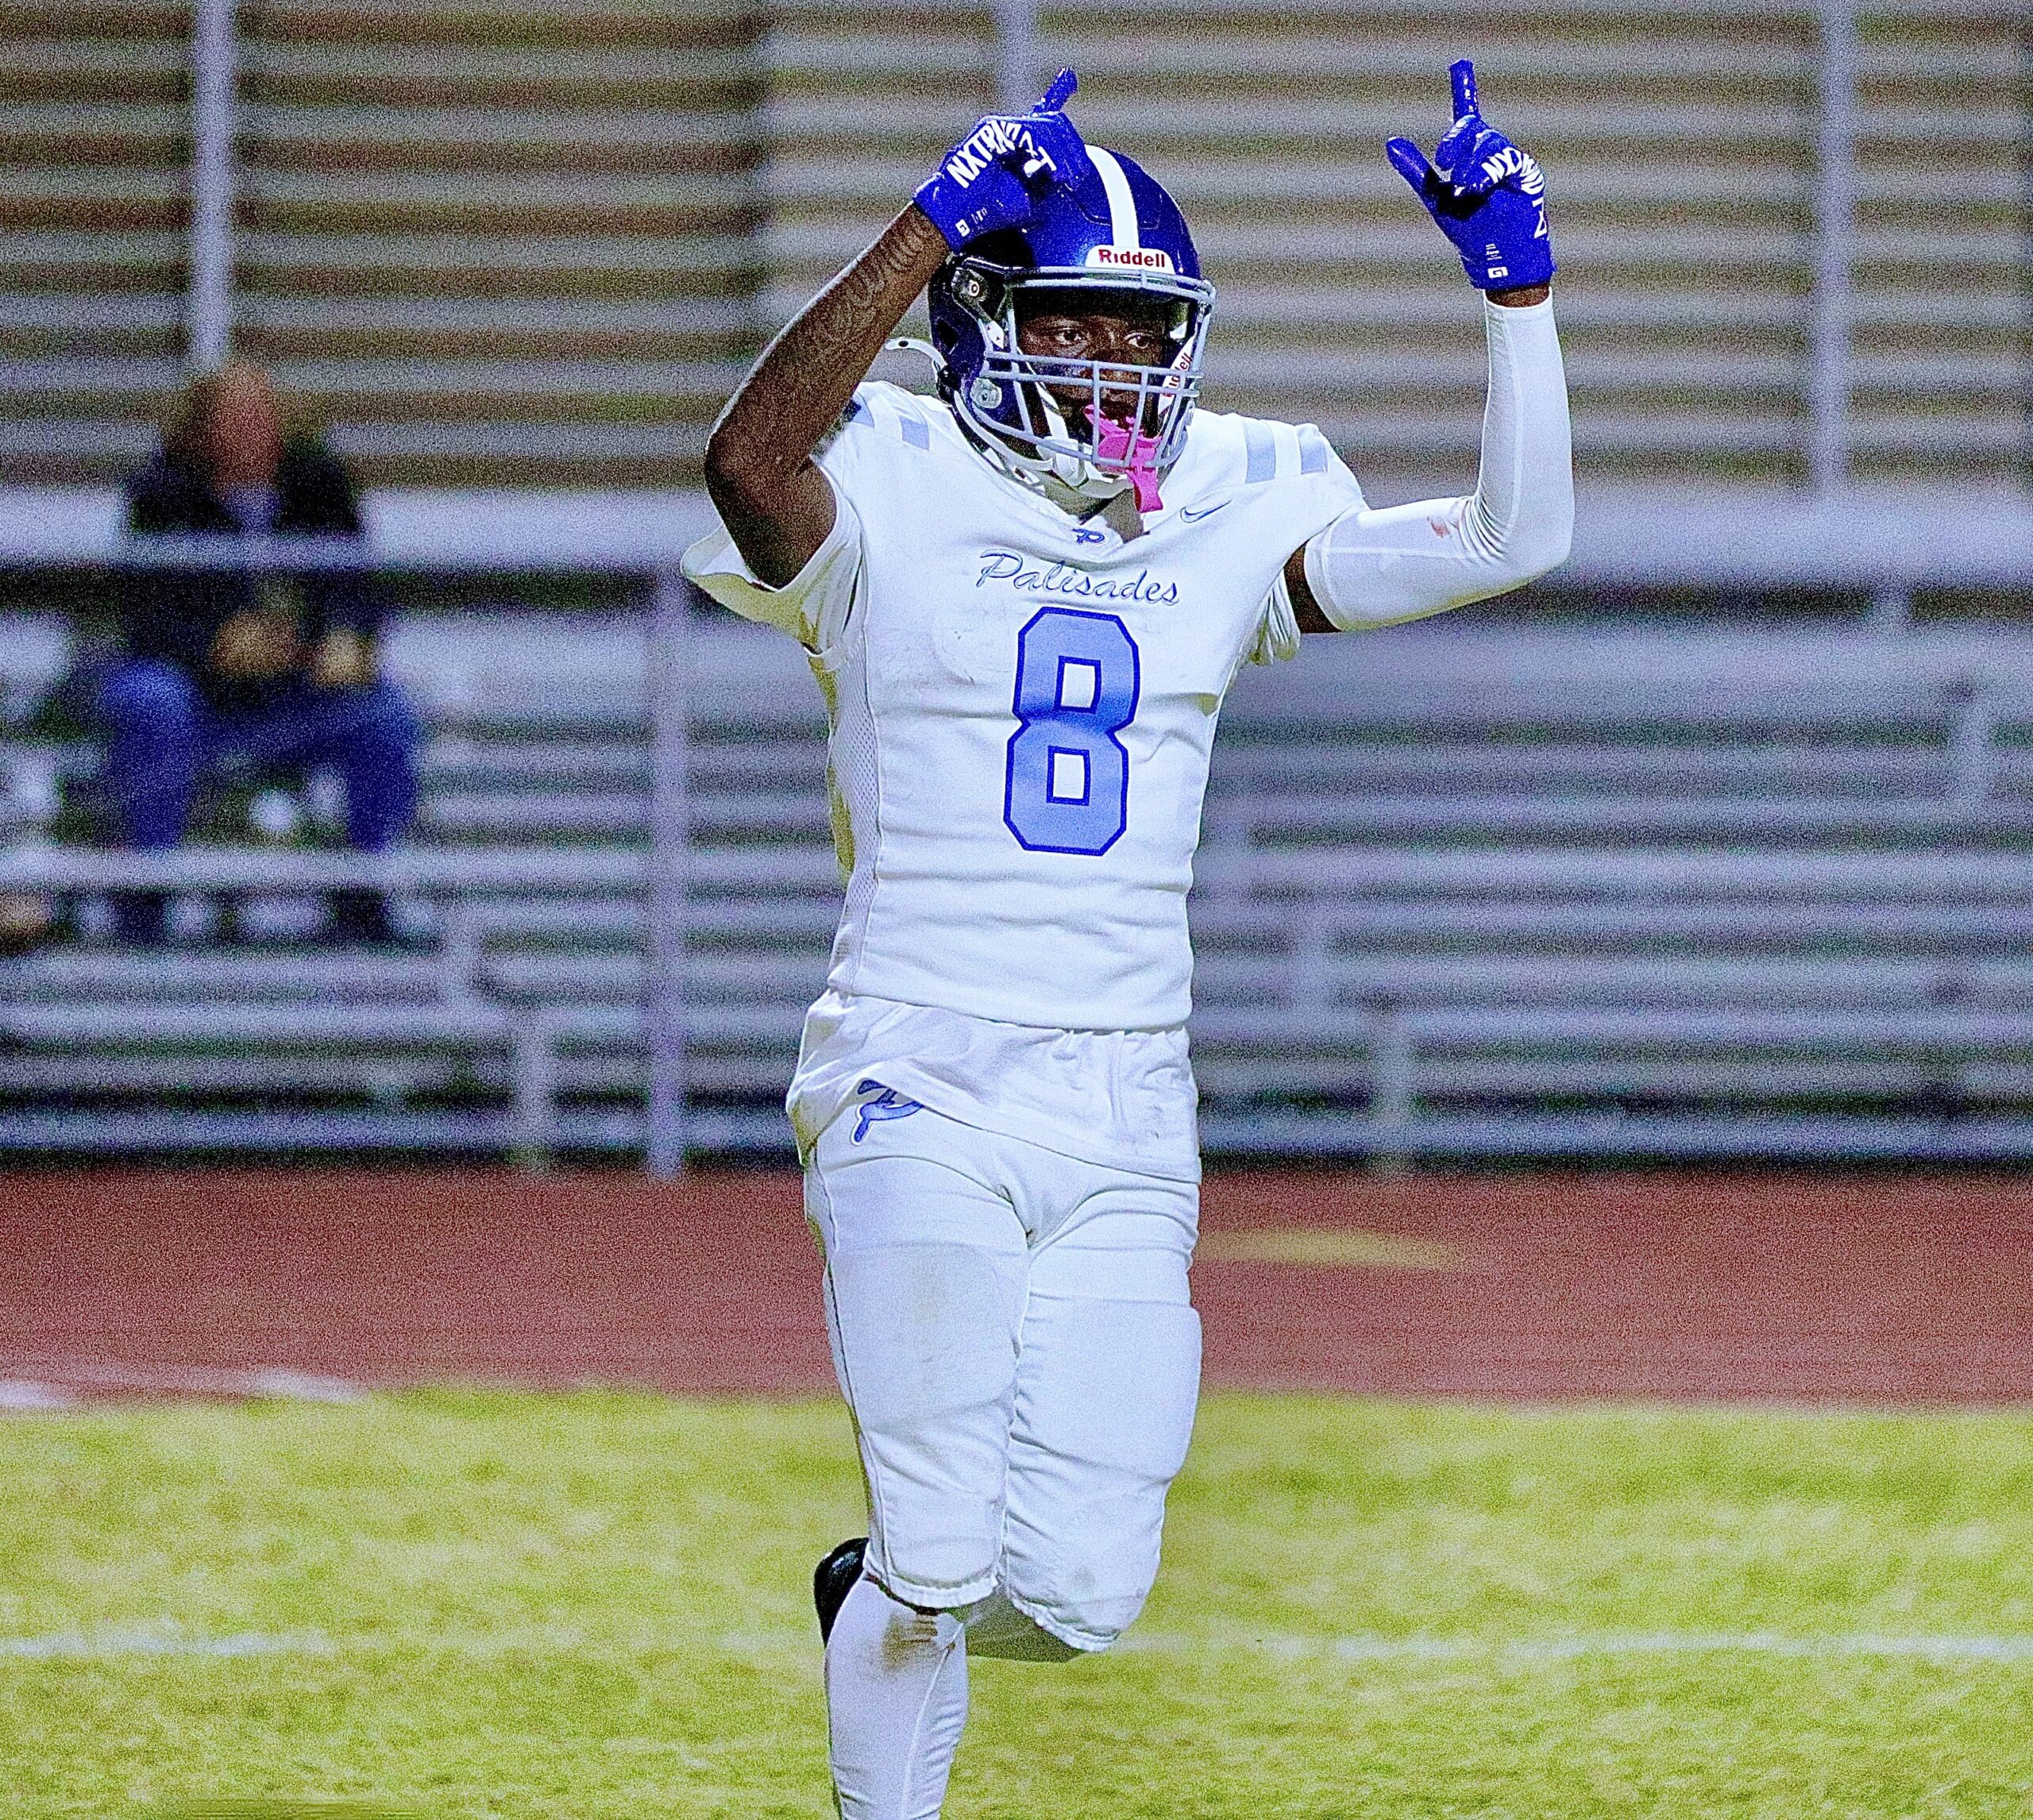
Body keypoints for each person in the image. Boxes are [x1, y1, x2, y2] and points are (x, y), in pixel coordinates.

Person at [683, 60, 1571, 1818]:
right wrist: (926, 218)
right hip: (919, 1068)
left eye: (1142, 329)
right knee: (941, 1545)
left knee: (1074, 1594)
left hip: (1127, 1103)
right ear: (981, 323)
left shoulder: (1233, 492)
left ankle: (874, 1601)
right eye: (1074, 323)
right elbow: (746, 461)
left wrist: (1519, 304)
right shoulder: (890, 467)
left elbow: (1508, 536)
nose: (1113, 364)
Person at [102, 361, 419, 944]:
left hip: (295, 695)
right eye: (235, 417)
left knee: (386, 714)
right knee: (152, 698)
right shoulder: (162, 493)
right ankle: (145, 893)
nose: (253, 428)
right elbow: (143, 613)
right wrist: (214, 646)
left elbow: (360, 592)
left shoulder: (319, 487)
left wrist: (347, 640)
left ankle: (364, 888)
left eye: (261, 414)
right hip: (196, 698)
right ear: (202, 428)